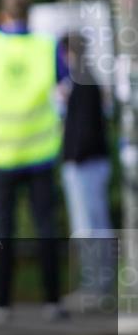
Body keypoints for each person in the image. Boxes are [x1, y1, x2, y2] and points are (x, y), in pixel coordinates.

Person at [0, 0, 66, 323]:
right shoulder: (47, 47)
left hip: (1, 154)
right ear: (29, 15)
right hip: (42, 152)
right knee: (46, 228)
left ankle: (2, 305)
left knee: (1, 231)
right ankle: (53, 302)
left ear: (1, 15)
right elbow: (66, 91)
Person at [59, 33, 115, 303]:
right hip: (91, 162)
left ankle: (95, 288)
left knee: (88, 227)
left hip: (84, 165)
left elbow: (84, 129)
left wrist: (74, 157)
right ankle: (98, 286)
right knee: (95, 224)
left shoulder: (81, 81)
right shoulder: (87, 78)